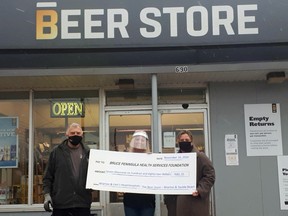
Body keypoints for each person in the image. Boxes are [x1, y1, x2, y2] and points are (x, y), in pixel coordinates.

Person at [43, 122, 92, 216]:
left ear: (82, 134)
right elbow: (48, 176)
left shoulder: (88, 152)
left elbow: (95, 175)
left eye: (78, 133)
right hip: (61, 204)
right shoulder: (56, 152)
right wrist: (47, 195)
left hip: (82, 204)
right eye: (72, 133)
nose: (75, 135)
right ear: (67, 134)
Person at [164, 130, 215, 216]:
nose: (184, 142)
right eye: (181, 140)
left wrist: (200, 190)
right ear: (177, 142)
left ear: (191, 141)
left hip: (195, 204)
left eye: (186, 140)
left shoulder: (200, 157)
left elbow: (210, 175)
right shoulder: (174, 159)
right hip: (176, 204)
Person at [123, 130, 155, 216]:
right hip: (130, 200)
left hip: (147, 201)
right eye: (137, 139)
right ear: (133, 141)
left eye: (142, 140)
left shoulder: (152, 159)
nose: (139, 142)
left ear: (146, 143)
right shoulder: (124, 158)